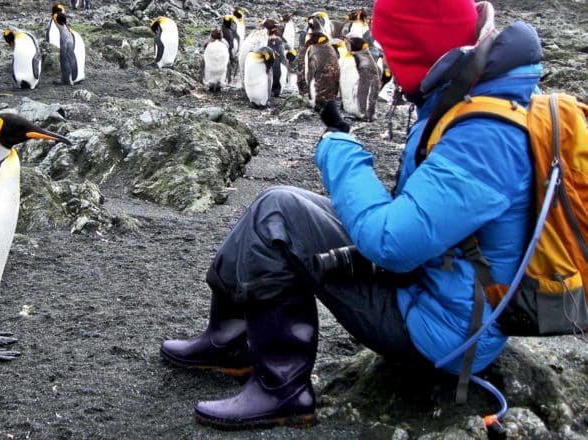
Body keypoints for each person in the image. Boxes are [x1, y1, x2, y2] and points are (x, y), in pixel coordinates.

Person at [160, 0, 544, 429]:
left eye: (393, 51)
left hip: (444, 329)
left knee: (281, 221)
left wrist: (341, 149)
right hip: (432, 284)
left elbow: (391, 244)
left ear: (418, 48)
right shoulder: (470, 97)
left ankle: (282, 388)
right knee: (278, 201)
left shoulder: (486, 135)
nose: (388, 63)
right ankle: (229, 339)